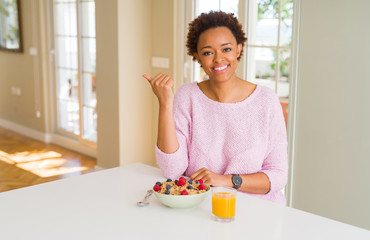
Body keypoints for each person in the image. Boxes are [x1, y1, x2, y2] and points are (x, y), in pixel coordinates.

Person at [143, 11, 288, 205]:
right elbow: (172, 170)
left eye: (226, 49)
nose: (219, 59)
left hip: (257, 209)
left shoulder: (266, 100)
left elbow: (277, 176)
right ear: (198, 57)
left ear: (238, 49)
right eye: (208, 52)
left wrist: (226, 181)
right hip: (201, 206)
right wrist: (165, 103)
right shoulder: (187, 96)